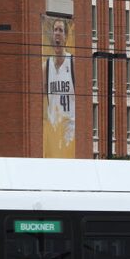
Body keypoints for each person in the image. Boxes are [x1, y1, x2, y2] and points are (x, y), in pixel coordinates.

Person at [43, 18, 75, 158]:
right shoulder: (46, 66)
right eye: (55, 30)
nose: (57, 33)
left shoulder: (73, 63)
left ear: (66, 37)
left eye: (60, 30)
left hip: (70, 131)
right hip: (53, 130)